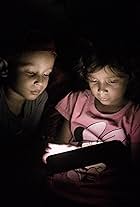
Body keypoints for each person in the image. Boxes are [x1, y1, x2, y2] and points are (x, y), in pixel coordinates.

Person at [42, 49, 140, 207]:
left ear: (129, 78)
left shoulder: (135, 116)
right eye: (94, 80)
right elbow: (59, 145)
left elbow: (135, 168)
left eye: (112, 81)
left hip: (104, 197)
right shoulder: (77, 100)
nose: (101, 89)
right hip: (61, 189)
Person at [0, 31, 56, 206]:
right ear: (4, 68)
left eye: (46, 74)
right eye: (31, 72)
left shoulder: (40, 99)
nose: (40, 82)